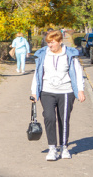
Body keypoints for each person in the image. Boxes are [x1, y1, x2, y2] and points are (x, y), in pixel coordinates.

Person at [30, 30, 85, 161]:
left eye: (52, 42)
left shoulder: (69, 55)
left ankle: (64, 147)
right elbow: (37, 74)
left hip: (66, 91)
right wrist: (34, 91)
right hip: (47, 91)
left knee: (63, 119)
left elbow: (78, 73)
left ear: (60, 41)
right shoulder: (44, 55)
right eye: (48, 42)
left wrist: (80, 90)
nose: (50, 45)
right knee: (49, 117)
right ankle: (52, 148)